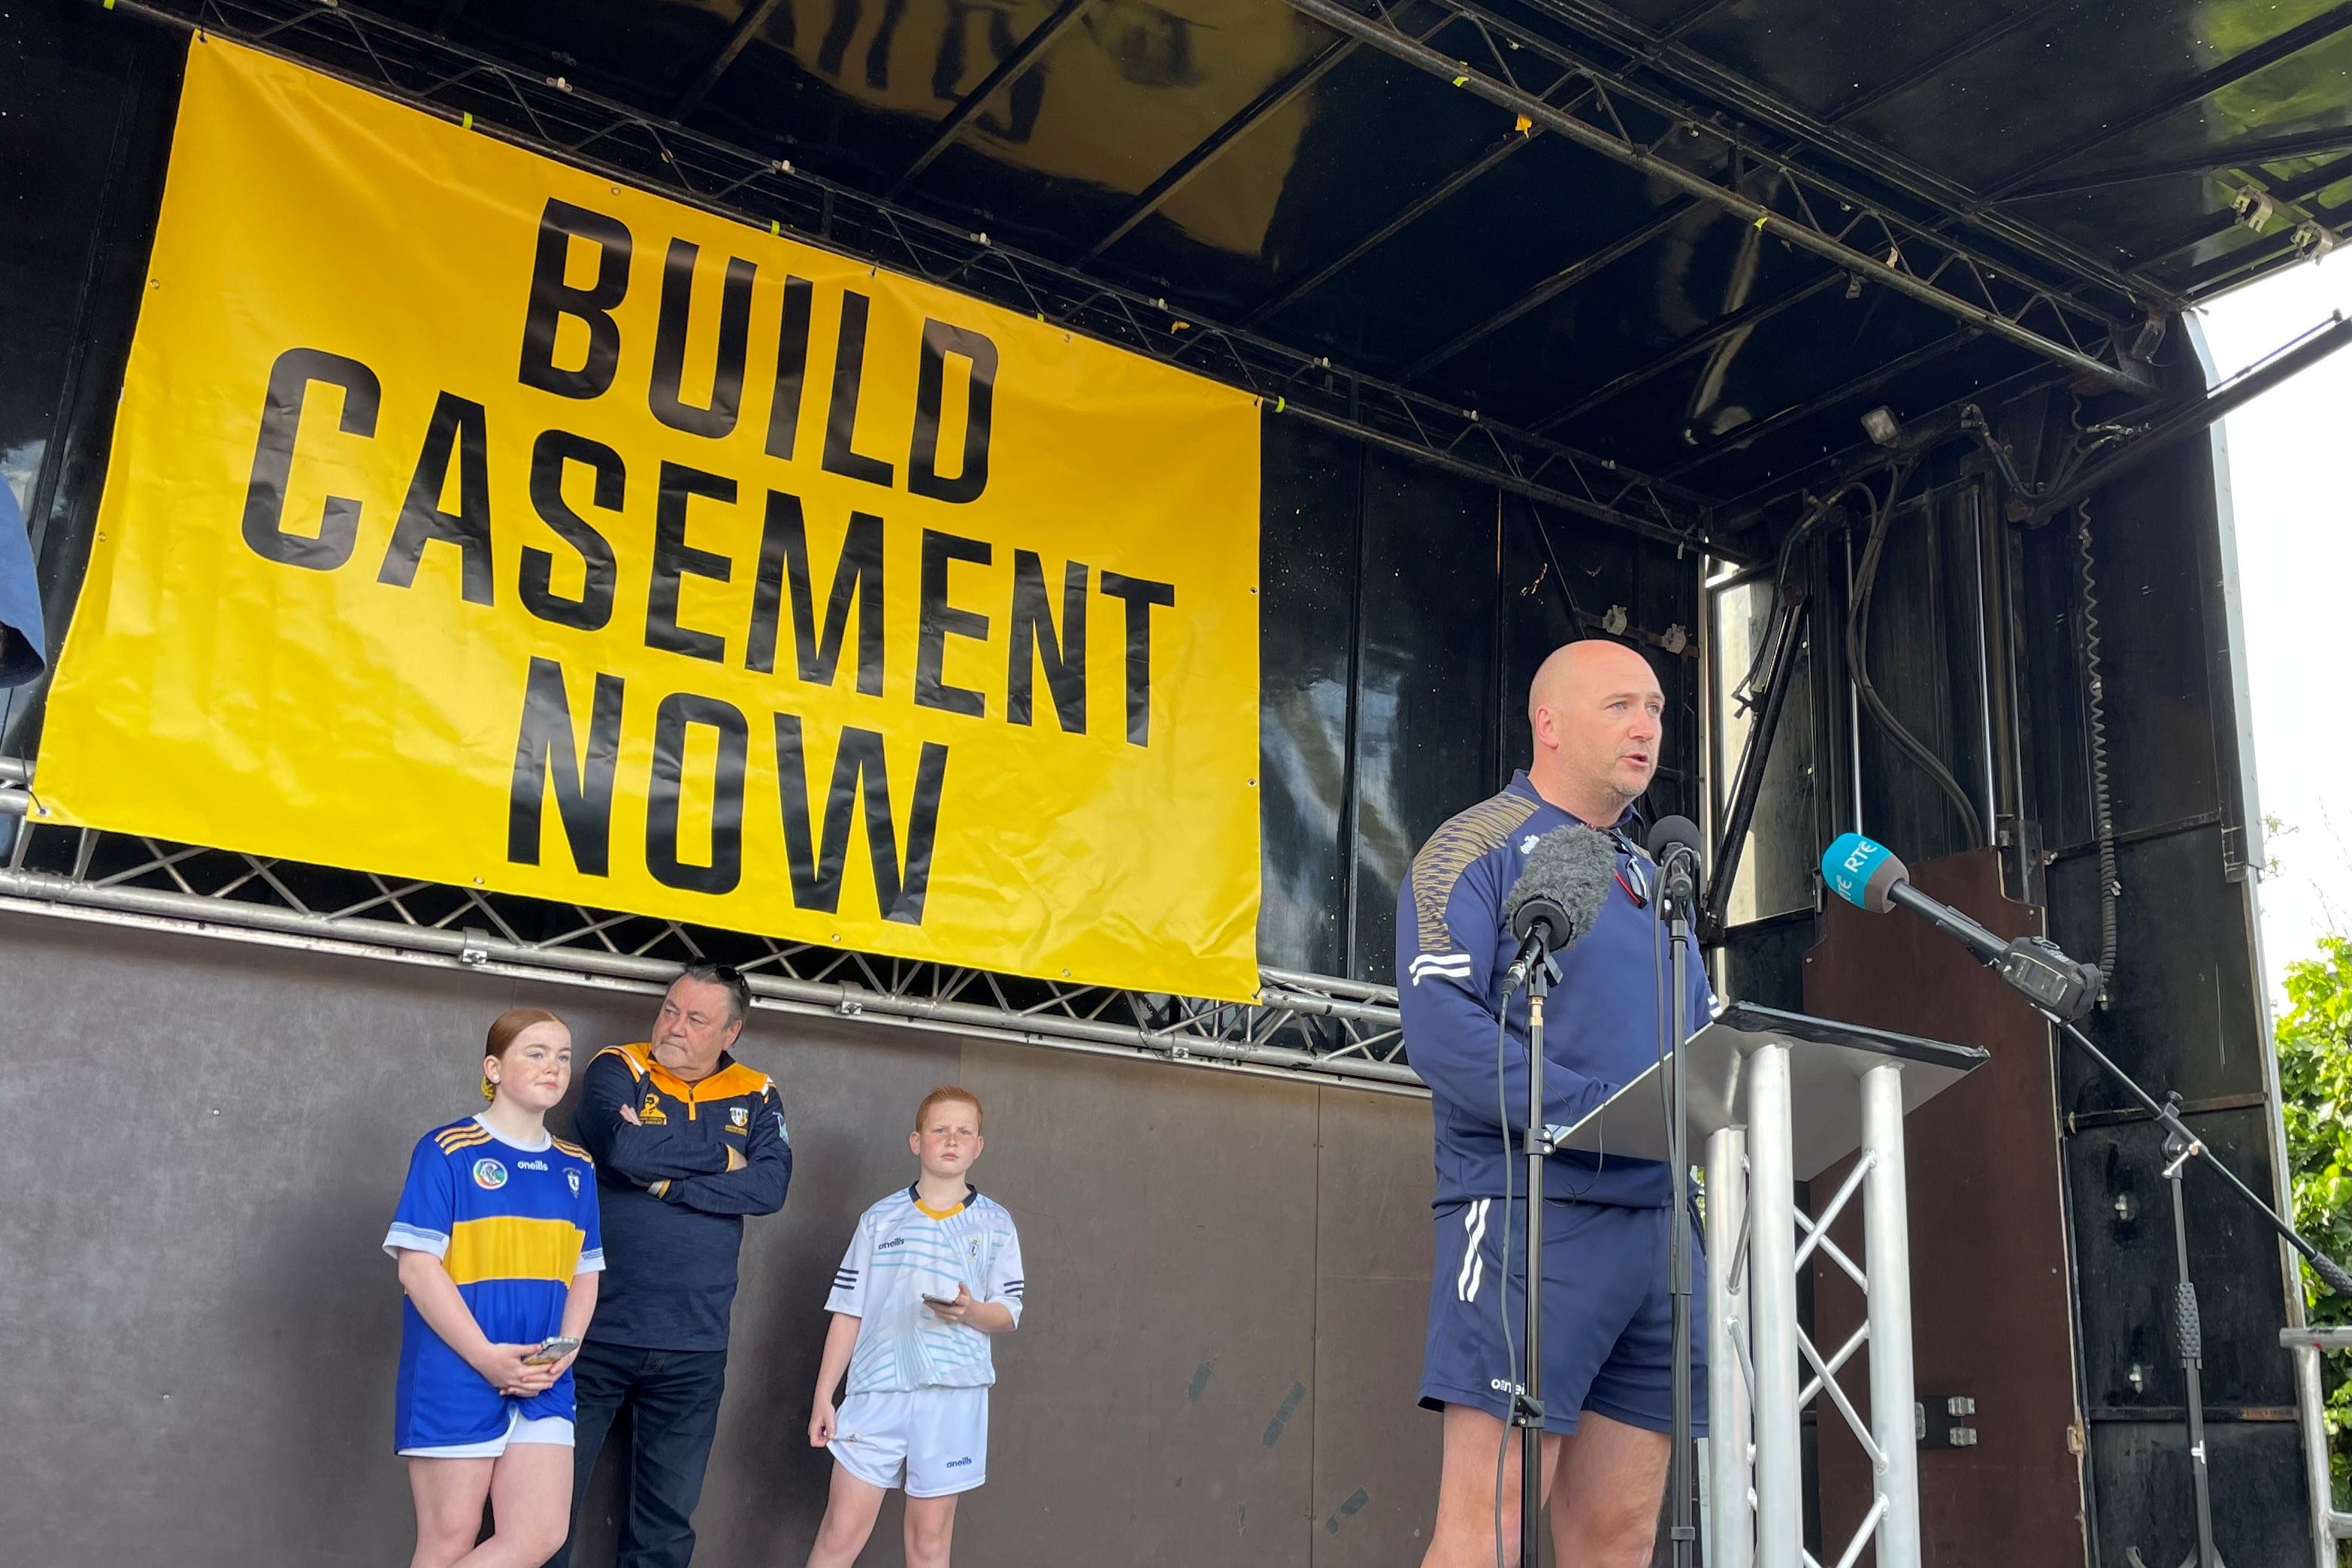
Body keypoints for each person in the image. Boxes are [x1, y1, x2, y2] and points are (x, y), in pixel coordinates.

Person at [1397, 638, 1718, 1568]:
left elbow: (1697, 1048)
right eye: (1621, 705)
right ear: (1550, 721)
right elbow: (1439, 1025)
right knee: (1490, 1520)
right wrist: (1586, 1111)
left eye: (1656, 708)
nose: (1648, 726)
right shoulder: (1475, 844)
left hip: (1659, 1232)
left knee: (1619, 1533)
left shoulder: (1657, 881)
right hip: (1530, 1216)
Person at [549, 964, 793, 1568]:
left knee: (664, 1530)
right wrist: (723, 1157)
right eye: (669, 1010)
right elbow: (622, 1148)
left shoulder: (758, 1092)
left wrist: (662, 1185)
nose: (674, 1027)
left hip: (694, 1345)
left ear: (730, 1033)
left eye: (696, 1019)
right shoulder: (618, 1066)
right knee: (544, 1514)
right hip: (592, 1334)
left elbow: (768, 1188)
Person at [387, 1007, 603, 1568]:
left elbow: (586, 1271)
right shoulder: (447, 1149)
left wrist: (566, 1350)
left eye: (562, 1055)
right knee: (449, 1542)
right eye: (535, 1052)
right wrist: (485, 1357)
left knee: (538, 1536)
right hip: (456, 1373)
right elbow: (416, 1268)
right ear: (494, 1066)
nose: (553, 1066)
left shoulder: (576, 1166)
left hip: (543, 1379)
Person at [802, 1086, 1025, 1568]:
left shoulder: (996, 1225)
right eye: (939, 1129)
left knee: (929, 1545)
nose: (951, 1139)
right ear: (915, 1141)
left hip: (953, 1396)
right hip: (875, 1392)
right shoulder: (879, 1219)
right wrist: (825, 1393)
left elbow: (1007, 1313)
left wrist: (970, 1311)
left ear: (978, 1146)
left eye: (964, 1131)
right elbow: (849, 1311)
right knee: (839, 1535)